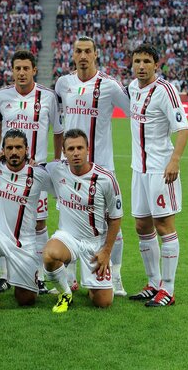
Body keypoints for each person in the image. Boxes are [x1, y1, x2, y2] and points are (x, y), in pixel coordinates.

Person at [54, 36, 130, 296]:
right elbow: (55, 123)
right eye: (78, 51)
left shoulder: (110, 86)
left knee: (111, 223)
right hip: (69, 168)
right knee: (69, 222)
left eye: (88, 51)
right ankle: (71, 278)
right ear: (72, 55)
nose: (83, 55)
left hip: (102, 169)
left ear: (96, 54)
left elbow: (134, 112)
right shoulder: (63, 83)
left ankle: (116, 277)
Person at [0, 50, 63, 294]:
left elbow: (57, 131)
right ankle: (4, 276)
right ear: (12, 71)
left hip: (37, 170)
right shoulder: (1, 97)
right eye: (17, 68)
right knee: (4, 223)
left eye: (26, 68)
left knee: (39, 223)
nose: (21, 72)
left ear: (34, 70)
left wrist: (56, 161)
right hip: (7, 170)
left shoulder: (48, 97)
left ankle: (39, 276)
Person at [127, 44, 188, 307]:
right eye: (137, 61)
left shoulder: (166, 90)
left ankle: (169, 289)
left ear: (156, 65)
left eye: (146, 61)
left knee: (164, 226)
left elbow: (183, 128)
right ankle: (153, 283)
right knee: (142, 226)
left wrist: (174, 160)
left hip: (160, 170)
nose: (141, 66)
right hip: (138, 169)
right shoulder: (132, 88)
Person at [42, 129, 123, 312]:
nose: (76, 153)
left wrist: (106, 251)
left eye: (80, 148)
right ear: (64, 152)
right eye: (71, 149)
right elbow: (29, 167)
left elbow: (116, 217)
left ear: (88, 150)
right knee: (49, 254)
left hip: (94, 244)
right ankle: (65, 293)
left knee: (103, 302)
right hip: (67, 238)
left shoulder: (106, 178)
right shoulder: (55, 169)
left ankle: (94, 286)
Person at [0, 129, 52, 314]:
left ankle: (27, 281)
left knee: (26, 299)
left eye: (19, 147)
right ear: (2, 150)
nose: (14, 152)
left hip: (24, 243)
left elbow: (63, 184)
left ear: (27, 150)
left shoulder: (39, 174)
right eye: (9, 148)